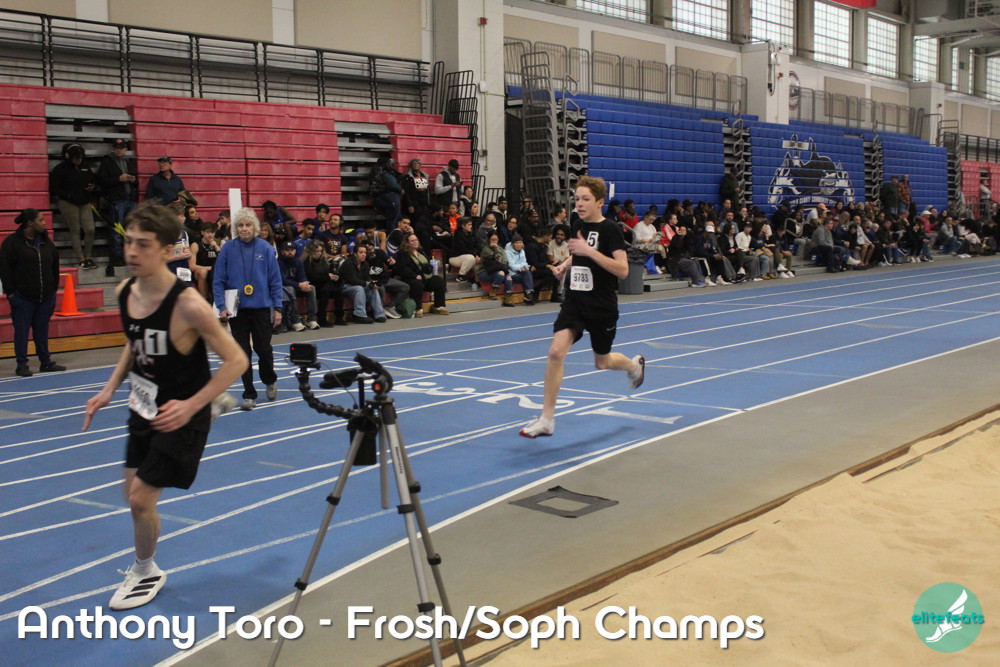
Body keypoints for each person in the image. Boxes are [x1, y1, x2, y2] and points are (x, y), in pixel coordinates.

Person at [82, 202, 247, 611]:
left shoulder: (187, 304)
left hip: (181, 413)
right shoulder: (125, 292)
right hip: (142, 406)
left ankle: (145, 570)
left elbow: (237, 361)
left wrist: (192, 405)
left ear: (166, 249)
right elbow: (134, 343)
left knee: (141, 499)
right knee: (132, 498)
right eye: (129, 242)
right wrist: (109, 388)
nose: (132, 251)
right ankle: (146, 566)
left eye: (143, 244)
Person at [519, 176, 645, 438]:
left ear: (600, 202)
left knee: (602, 362)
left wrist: (590, 252)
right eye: (577, 198)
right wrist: (565, 265)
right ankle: (546, 419)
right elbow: (577, 253)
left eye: (586, 199)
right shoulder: (577, 224)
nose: (579, 203)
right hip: (575, 301)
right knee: (555, 352)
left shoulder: (611, 229)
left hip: (601, 305)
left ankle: (633, 367)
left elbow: (622, 270)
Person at [213, 207, 284, 411]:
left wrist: (277, 308)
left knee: (263, 349)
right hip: (237, 310)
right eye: (240, 225)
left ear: (255, 227)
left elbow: (275, 280)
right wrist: (221, 306)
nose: (244, 229)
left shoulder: (266, 248)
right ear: (236, 228)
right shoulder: (228, 249)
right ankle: (249, 393)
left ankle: (269, 379)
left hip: (261, 308)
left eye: (248, 225)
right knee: (242, 353)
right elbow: (218, 280)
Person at [0, 209, 67, 377]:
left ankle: (46, 362)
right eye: (40, 220)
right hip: (22, 298)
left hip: (46, 297)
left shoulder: (46, 242)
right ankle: (21, 364)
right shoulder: (12, 243)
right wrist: (11, 294)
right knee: (21, 332)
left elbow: (54, 267)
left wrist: (53, 290)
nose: (44, 223)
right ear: (30, 223)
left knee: (42, 331)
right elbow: (5, 270)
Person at [50, 143, 98, 269]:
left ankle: (88, 256)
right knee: (75, 229)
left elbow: (92, 180)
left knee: (90, 229)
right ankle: (81, 259)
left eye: (80, 158)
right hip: (68, 202)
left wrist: (92, 187)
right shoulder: (60, 169)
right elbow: (54, 188)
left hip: (84, 201)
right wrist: (68, 195)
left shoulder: (85, 167)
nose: (79, 160)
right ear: (68, 157)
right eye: (76, 158)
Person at [97, 138, 138, 275]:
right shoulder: (107, 162)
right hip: (116, 200)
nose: (119, 150)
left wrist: (133, 180)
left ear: (125, 149)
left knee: (132, 229)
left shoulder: (129, 162)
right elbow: (101, 181)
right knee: (117, 230)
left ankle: (131, 253)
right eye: (117, 148)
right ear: (114, 149)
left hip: (130, 199)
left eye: (121, 148)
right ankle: (118, 256)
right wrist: (118, 179)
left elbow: (137, 180)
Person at [395, 232, 449, 315]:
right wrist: (415, 275)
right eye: (412, 241)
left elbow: (427, 264)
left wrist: (430, 267)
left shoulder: (420, 251)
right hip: (411, 278)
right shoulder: (402, 254)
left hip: (425, 278)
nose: (415, 242)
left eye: (416, 240)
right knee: (417, 284)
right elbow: (403, 269)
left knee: (439, 281)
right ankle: (418, 308)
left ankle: (438, 306)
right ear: (407, 243)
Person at [277, 241, 320, 332]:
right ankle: (295, 320)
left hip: (297, 285)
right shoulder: (278, 262)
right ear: (282, 251)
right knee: (290, 289)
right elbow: (282, 280)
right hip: (283, 287)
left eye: (292, 250)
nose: (290, 252)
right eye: (287, 250)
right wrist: (299, 285)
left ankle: (311, 319)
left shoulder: (298, 261)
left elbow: (302, 275)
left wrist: (304, 283)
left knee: (311, 288)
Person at [339, 243, 386, 324]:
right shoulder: (348, 263)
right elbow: (352, 280)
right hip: (345, 286)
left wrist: (372, 283)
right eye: (361, 252)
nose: (364, 254)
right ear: (355, 254)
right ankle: (359, 315)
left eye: (365, 252)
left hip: (358, 285)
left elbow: (367, 278)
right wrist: (367, 283)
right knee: (359, 288)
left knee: (373, 288)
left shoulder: (365, 264)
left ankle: (379, 314)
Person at [303, 240, 346, 326]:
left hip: (326, 283)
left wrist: (335, 277)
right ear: (311, 251)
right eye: (317, 251)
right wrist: (327, 277)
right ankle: (321, 318)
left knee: (338, 291)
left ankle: (339, 317)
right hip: (314, 285)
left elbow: (328, 272)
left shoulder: (323, 261)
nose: (319, 253)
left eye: (320, 251)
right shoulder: (307, 262)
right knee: (325, 291)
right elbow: (311, 276)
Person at [370, 156, 403, 230]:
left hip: (379, 198)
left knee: (391, 219)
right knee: (395, 220)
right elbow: (393, 185)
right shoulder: (386, 173)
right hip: (389, 197)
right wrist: (401, 190)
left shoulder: (374, 172)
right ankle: (394, 234)